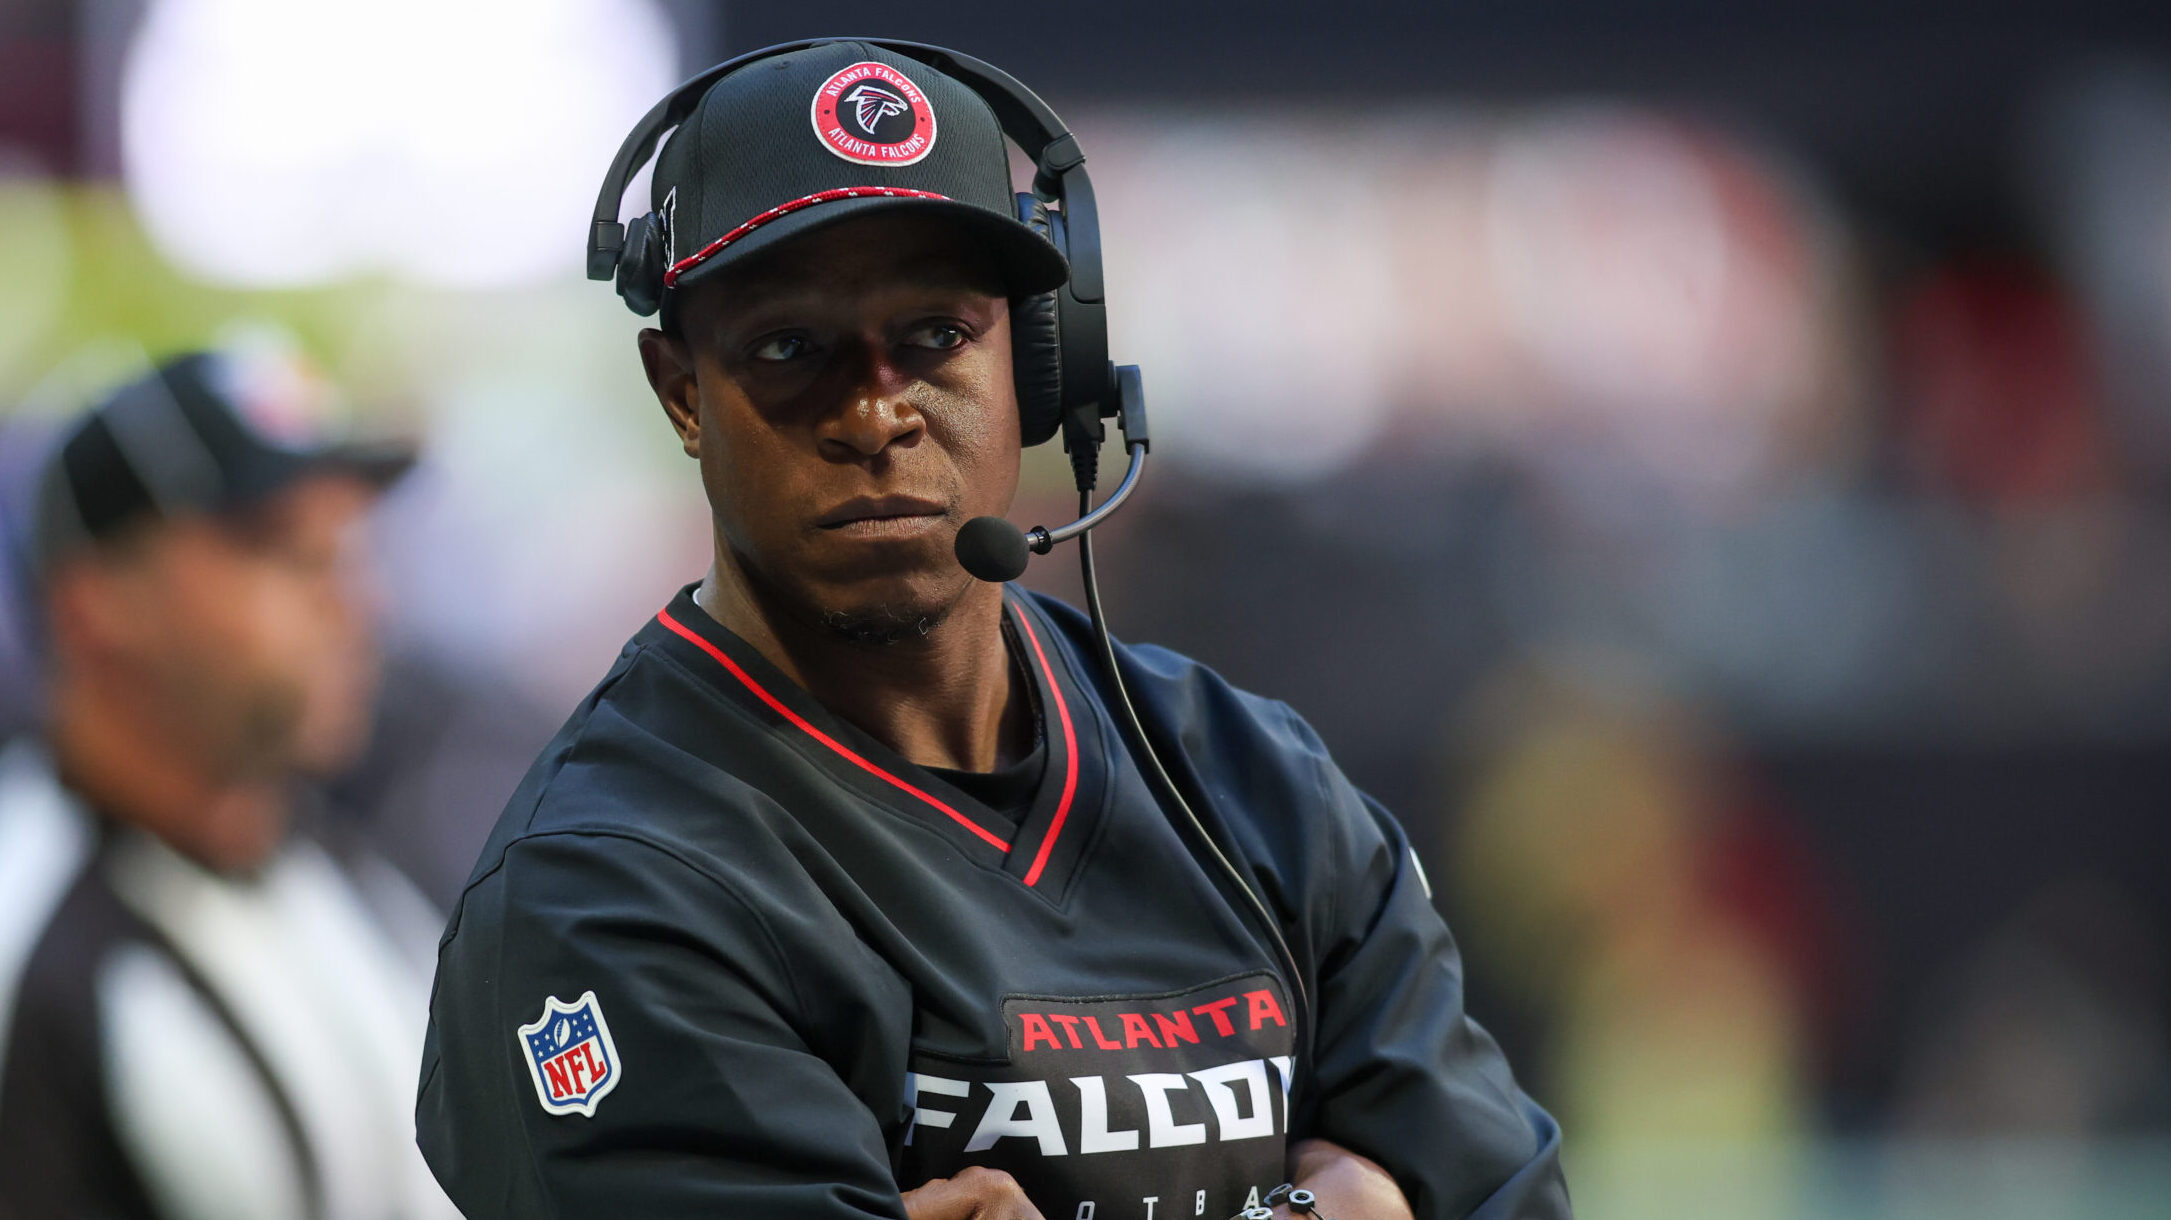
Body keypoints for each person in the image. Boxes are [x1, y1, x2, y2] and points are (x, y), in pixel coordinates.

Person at [416, 40, 1569, 1220]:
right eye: (787, 348)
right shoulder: (600, 887)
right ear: (682, 394)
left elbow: (1510, 1194)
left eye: (932, 335)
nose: (874, 413)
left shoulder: (1257, 782)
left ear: (1038, 365)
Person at [0, 351, 458, 1220]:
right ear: (97, 602)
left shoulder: (325, 852)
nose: (356, 605)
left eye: (349, 552)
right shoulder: (30, 942)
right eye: (289, 553)